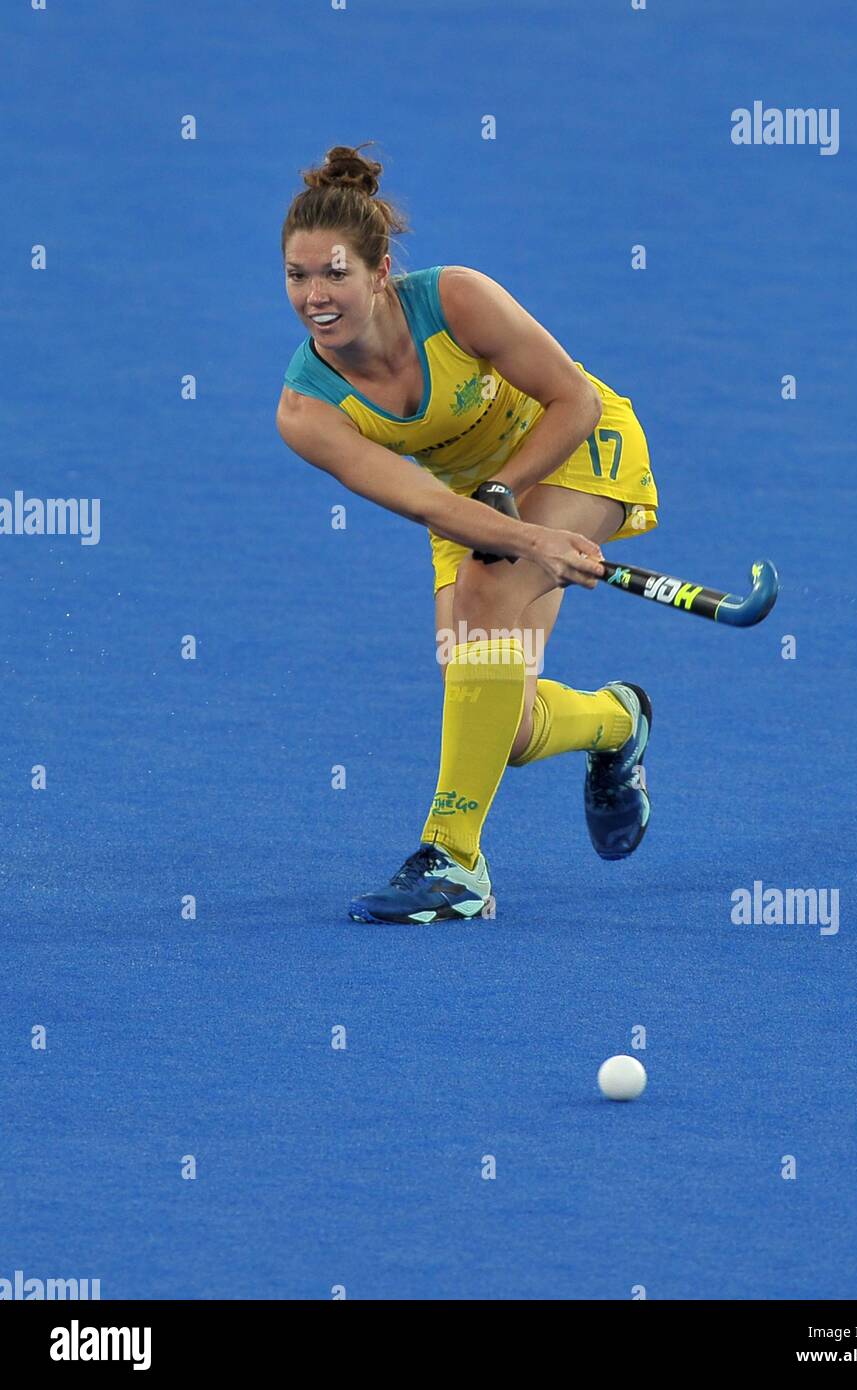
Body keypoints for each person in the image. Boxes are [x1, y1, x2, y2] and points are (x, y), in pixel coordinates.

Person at [276, 143, 660, 924]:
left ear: (381, 271)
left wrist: (514, 505)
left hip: (577, 449)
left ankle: (454, 862)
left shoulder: (456, 300)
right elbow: (429, 504)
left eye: (335, 273)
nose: (315, 295)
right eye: (297, 276)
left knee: (487, 592)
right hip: (469, 507)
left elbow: (574, 401)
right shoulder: (306, 413)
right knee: (503, 731)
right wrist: (517, 532)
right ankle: (618, 722)